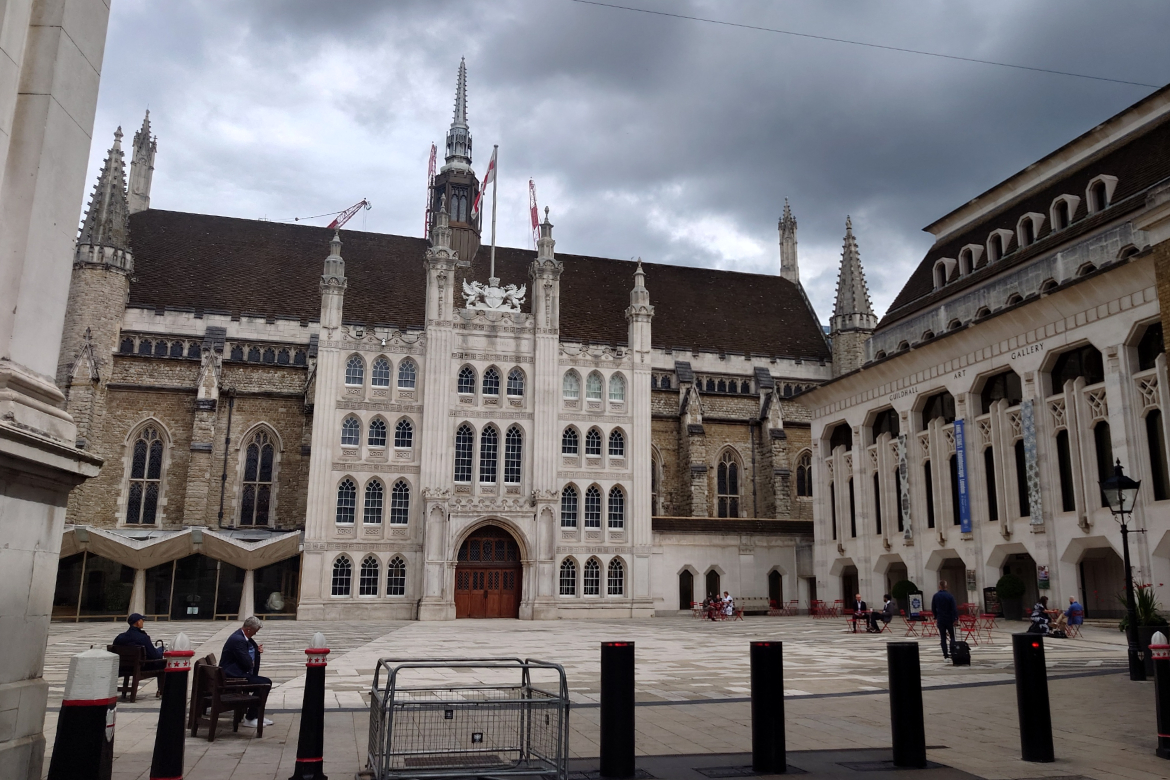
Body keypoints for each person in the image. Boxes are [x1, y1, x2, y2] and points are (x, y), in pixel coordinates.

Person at [221, 616, 272, 727]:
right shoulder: (238, 639)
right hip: (233, 675)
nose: (255, 634)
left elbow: (249, 654)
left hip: (237, 673)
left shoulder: (242, 637)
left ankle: (256, 715)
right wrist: (252, 657)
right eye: (255, 631)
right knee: (264, 684)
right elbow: (246, 662)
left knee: (265, 682)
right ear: (249, 629)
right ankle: (251, 718)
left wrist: (256, 652)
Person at [931, 580, 959, 660]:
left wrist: (936, 616)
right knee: (952, 636)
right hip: (949, 618)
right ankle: (953, 651)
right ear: (946, 587)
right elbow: (954, 608)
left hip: (941, 618)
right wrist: (955, 618)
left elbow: (933, 608)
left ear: (939, 586)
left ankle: (945, 655)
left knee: (943, 637)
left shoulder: (936, 596)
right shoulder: (950, 596)